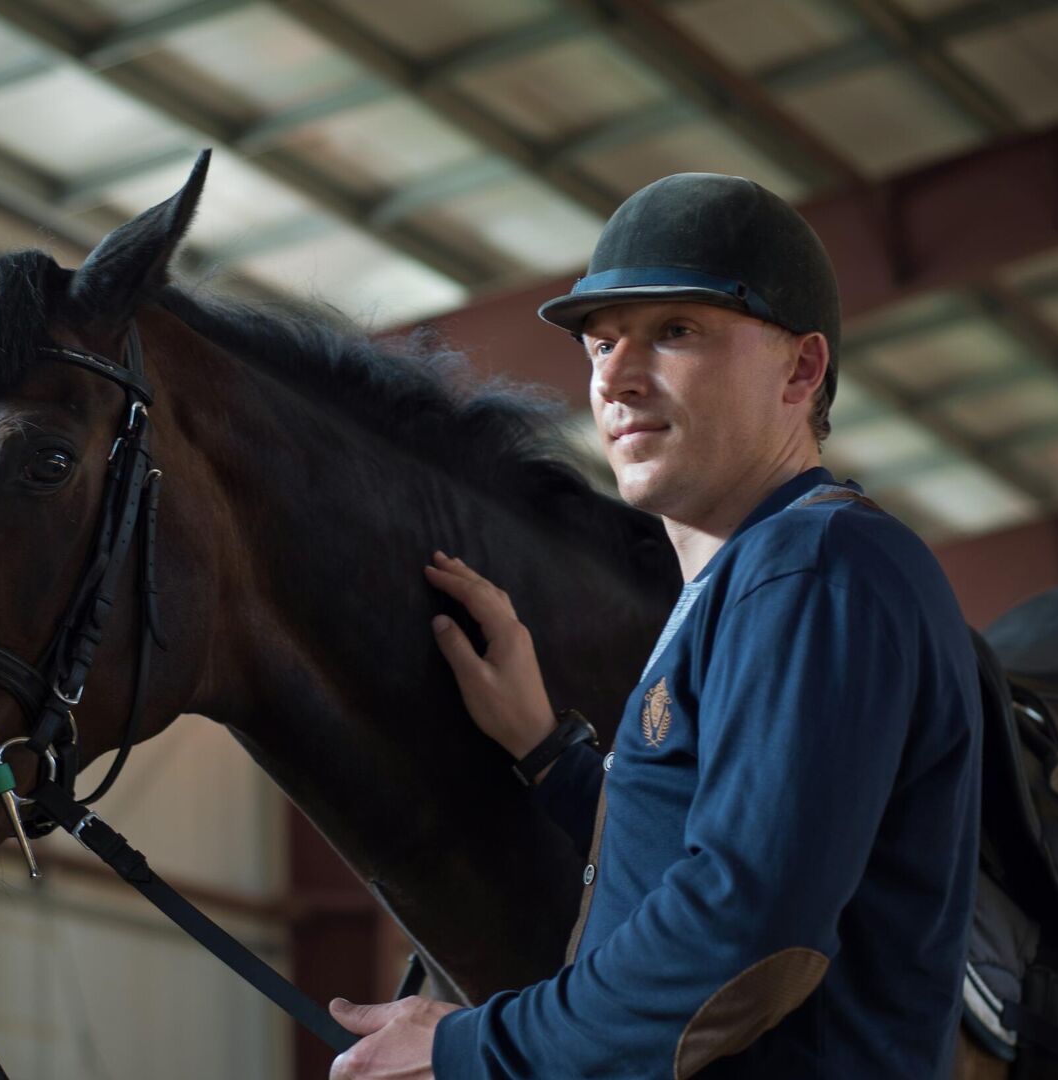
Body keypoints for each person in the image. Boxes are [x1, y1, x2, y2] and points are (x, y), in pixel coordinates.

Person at [327, 173, 983, 1079]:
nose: (616, 377)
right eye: (601, 344)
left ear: (802, 369)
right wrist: (548, 751)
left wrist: (472, 1047)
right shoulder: (745, 579)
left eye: (676, 332)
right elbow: (697, 841)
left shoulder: (811, 569)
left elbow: (745, 934)